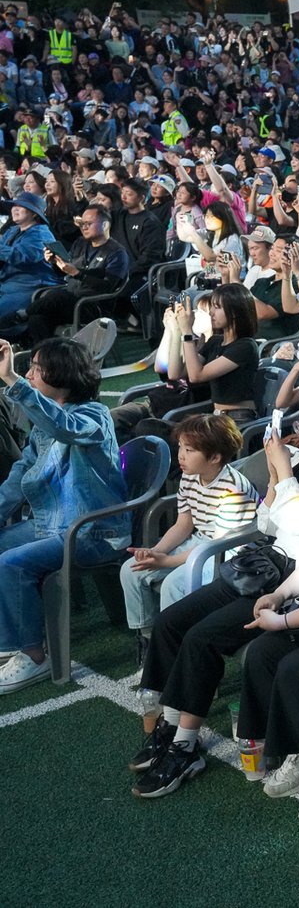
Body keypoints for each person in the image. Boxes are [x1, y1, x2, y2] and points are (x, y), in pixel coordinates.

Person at [128, 391, 299, 778]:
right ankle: (169, 726)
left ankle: (185, 745)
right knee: (171, 622)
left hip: (293, 577)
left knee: (202, 638)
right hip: (259, 564)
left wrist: (282, 472)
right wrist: (277, 475)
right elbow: (267, 523)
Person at [0, 337, 127, 693]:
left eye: (35, 370)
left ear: (60, 374)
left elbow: (63, 427)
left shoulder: (93, 416)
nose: (28, 375)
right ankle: (9, 639)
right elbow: (18, 481)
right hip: (52, 527)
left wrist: (12, 380)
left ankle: (34, 656)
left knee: (12, 563)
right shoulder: (42, 427)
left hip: (93, 534)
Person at [120, 414, 258, 668]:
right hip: (200, 542)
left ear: (215, 457)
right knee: (131, 570)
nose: (180, 456)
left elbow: (215, 546)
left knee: (173, 583)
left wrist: (169, 561)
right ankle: (150, 640)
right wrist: (155, 552)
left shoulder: (232, 490)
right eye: (181, 448)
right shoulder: (190, 474)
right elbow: (184, 523)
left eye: (189, 450)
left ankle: (177, 653)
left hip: (226, 554)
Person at [29, 202, 131, 341]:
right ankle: (46, 356)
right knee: (37, 319)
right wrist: (54, 263)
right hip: (70, 302)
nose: (84, 227)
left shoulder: (117, 253)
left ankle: (21, 315)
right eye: (82, 223)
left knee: (56, 295)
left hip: (92, 305)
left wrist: (78, 274)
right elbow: (64, 272)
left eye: (89, 223)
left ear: (105, 225)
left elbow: (108, 286)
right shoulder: (80, 243)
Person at [0, 191, 61, 326]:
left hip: (30, 287)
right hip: (6, 284)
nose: (15, 208)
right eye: (14, 205)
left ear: (34, 214)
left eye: (21, 206)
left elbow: (22, 256)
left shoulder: (41, 234)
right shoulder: (12, 230)